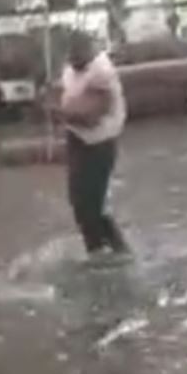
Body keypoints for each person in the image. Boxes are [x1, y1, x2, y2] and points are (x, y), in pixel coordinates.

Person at [59, 29, 129, 257]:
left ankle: (119, 251)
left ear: (88, 51)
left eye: (77, 55)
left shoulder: (102, 72)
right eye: (70, 55)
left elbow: (91, 117)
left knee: (94, 203)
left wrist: (58, 112)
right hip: (77, 138)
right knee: (78, 200)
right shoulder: (70, 70)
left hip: (100, 141)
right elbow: (67, 98)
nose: (72, 60)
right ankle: (95, 249)